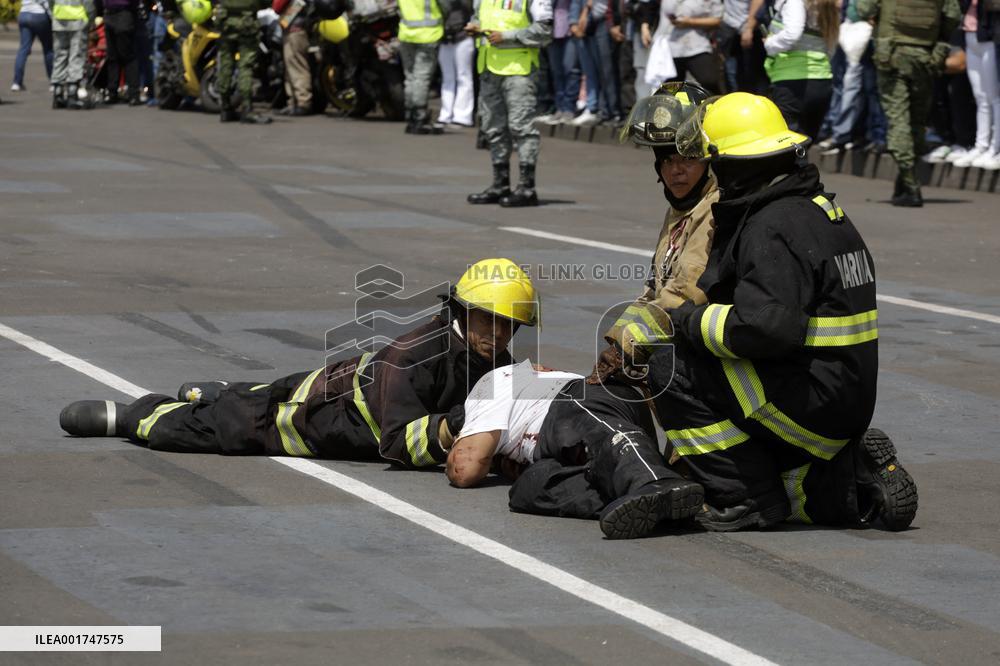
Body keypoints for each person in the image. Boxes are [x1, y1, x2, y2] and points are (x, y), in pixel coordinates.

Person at [651, 92, 917, 533]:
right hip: (840, 396)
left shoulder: (772, 226)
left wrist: (689, 323)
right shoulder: (819, 212)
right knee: (783, 475)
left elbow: (765, 328)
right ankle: (847, 482)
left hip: (812, 402)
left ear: (732, 164)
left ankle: (746, 496)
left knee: (669, 360)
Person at [60, 259, 538, 468]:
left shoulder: (488, 357)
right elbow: (396, 442)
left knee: (266, 392)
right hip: (326, 417)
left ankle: (225, 390)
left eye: (507, 326)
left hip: (349, 384)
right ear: (459, 310)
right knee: (233, 426)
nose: (497, 335)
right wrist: (460, 425)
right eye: (488, 321)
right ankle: (139, 414)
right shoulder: (414, 356)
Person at [445, 361, 705, 540]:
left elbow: (465, 469)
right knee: (528, 489)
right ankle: (649, 501)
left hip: (576, 399)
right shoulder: (508, 415)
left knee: (598, 430)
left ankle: (656, 482)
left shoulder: (485, 390)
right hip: (563, 438)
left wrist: (456, 443)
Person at [589, 81, 718, 387]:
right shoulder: (682, 207)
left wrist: (624, 349)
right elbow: (654, 289)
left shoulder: (714, 207)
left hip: (709, 362)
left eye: (687, 158)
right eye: (667, 160)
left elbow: (685, 290)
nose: (676, 171)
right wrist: (615, 345)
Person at [857, 0, 960, 207]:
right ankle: (903, 181)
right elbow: (953, 16)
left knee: (899, 121)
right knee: (917, 120)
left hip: (892, 55)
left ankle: (911, 186)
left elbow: (864, 9)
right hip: (926, 57)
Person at [465, 0, 553, 208]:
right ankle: (500, 184)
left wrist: (506, 36)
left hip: (519, 70)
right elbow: (478, 16)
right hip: (489, 68)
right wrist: (475, 27)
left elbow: (545, 30)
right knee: (493, 128)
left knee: (521, 127)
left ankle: (527, 187)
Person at [746, 0, 840, 139]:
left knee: (789, 144)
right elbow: (832, 43)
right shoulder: (825, 4)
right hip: (822, 82)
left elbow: (792, 34)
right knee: (805, 142)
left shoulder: (795, 2)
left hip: (792, 83)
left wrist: (770, 43)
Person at [949, 0, 1000, 168]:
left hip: (989, 36)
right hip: (970, 36)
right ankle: (981, 145)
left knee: (995, 97)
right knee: (980, 96)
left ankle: (996, 147)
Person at [638, 0, 724, 95]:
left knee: (709, 81)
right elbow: (650, 5)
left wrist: (690, 22)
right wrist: (645, 25)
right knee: (667, 89)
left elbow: (717, 20)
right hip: (668, 48)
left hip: (697, 45)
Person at [398, 0, 450, 133]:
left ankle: (410, 115)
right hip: (428, 35)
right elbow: (446, 7)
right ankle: (419, 116)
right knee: (421, 77)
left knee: (410, 76)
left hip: (406, 33)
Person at [218, 0, 273, 124]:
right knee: (245, 66)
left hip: (225, 22)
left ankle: (225, 108)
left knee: (226, 65)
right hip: (247, 25)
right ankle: (247, 108)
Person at [273, 0, 315, 116]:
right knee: (290, 68)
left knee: (297, 66)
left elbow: (277, 6)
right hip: (296, 29)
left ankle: (303, 102)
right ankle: (292, 102)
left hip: (295, 30)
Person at [50, 0, 94, 109]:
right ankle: (72, 94)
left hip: (59, 19)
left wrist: (54, 14)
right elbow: (88, 3)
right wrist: (90, 19)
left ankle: (58, 93)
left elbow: (50, 2)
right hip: (77, 20)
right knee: (76, 56)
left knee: (60, 56)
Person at [438, 0, 476, 126]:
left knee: (463, 76)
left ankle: (463, 116)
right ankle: (445, 114)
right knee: (447, 78)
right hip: (444, 38)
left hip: (462, 36)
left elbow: (469, 8)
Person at [103, 0, 141, 104]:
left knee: (127, 56)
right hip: (109, 13)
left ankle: (133, 94)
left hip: (124, 13)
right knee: (112, 57)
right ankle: (112, 92)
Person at [13, 0, 55, 93]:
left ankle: (17, 82)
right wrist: (52, 16)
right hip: (39, 15)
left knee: (23, 49)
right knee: (48, 49)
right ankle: (53, 82)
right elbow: (45, 2)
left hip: (24, 13)